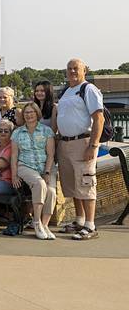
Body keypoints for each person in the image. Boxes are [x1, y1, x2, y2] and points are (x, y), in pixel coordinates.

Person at [56, 58, 105, 241]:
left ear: (84, 70)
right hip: (65, 143)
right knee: (72, 185)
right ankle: (79, 220)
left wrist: (93, 145)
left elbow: (99, 119)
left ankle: (90, 225)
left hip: (83, 142)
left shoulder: (88, 89)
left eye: (76, 68)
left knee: (86, 183)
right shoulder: (66, 92)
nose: (72, 71)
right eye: (69, 68)